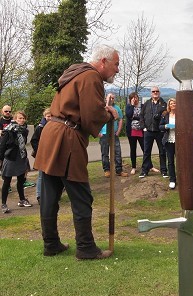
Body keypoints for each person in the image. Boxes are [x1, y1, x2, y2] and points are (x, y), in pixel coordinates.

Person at [34, 44, 119, 259]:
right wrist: (109, 115)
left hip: (51, 132)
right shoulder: (91, 77)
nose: (117, 70)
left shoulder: (75, 72)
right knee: (81, 195)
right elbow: (91, 115)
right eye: (115, 64)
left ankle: (51, 243)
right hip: (66, 138)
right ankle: (86, 247)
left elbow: (85, 107)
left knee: (50, 193)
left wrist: (103, 109)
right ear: (103, 62)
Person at [0, 111, 33, 213]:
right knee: (7, 181)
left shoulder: (25, 130)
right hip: (10, 158)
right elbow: (2, 145)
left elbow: (23, 145)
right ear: (15, 119)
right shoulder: (8, 130)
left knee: (21, 180)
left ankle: (22, 200)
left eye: (23, 118)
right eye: (19, 118)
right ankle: (4, 204)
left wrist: (26, 159)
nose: (22, 120)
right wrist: (0, 160)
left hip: (21, 158)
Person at [0, 105, 36, 190]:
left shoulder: (16, 120)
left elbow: (24, 126)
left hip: (19, 149)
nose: (8, 113)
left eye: (9, 111)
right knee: (6, 168)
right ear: (2, 112)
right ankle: (7, 185)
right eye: (6, 111)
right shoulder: (1, 121)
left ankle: (23, 181)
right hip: (5, 146)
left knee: (24, 165)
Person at [139, 86, 168, 178]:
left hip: (159, 131)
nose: (155, 92)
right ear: (151, 93)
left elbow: (166, 117)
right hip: (148, 131)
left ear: (159, 92)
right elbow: (141, 116)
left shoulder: (164, 104)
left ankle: (164, 171)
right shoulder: (146, 104)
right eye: (153, 91)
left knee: (162, 151)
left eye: (157, 91)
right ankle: (144, 170)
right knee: (146, 151)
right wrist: (143, 127)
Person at [99, 93, 128, 178]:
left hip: (114, 134)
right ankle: (107, 170)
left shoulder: (117, 108)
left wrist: (118, 131)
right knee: (105, 153)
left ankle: (119, 170)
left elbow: (120, 119)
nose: (111, 99)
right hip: (104, 134)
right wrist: (98, 132)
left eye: (113, 98)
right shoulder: (102, 108)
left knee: (117, 152)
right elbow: (97, 120)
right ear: (106, 98)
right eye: (110, 97)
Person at [30, 108, 52, 204]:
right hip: (42, 155)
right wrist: (40, 151)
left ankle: (51, 195)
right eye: (48, 116)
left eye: (51, 116)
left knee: (52, 175)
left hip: (51, 154)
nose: (49, 118)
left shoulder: (54, 126)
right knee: (41, 176)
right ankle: (39, 196)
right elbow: (33, 140)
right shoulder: (40, 127)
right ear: (44, 116)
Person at [125, 92, 144, 175]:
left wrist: (134, 117)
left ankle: (149, 165)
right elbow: (129, 115)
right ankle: (133, 167)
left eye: (136, 97)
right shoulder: (128, 107)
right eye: (133, 98)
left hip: (141, 130)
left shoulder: (142, 106)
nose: (135, 99)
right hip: (131, 131)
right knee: (133, 149)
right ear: (130, 99)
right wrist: (132, 105)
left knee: (145, 148)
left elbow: (143, 117)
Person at [159, 98, 176, 189]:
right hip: (169, 140)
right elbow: (160, 126)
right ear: (169, 105)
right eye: (171, 103)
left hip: (179, 140)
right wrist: (166, 126)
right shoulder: (165, 115)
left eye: (175, 103)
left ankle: (181, 178)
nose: (173, 105)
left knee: (180, 161)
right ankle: (172, 179)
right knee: (170, 161)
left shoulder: (181, 115)